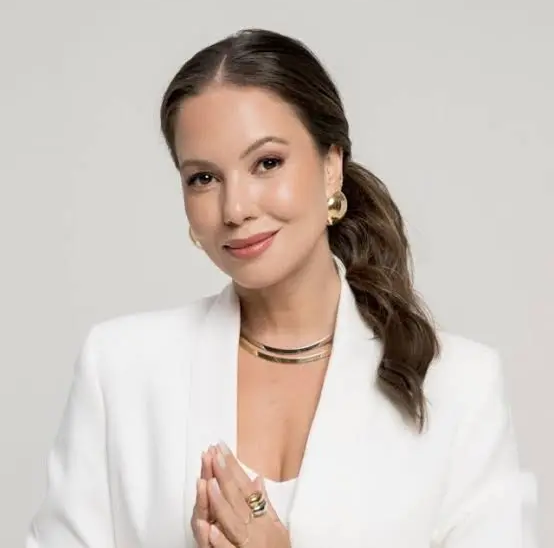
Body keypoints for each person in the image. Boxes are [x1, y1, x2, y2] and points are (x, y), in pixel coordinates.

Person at [26, 28, 537, 548]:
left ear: (331, 167)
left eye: (267, 163)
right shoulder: (121, 369)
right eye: (203, 178)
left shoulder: (459, 387)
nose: (235, 208)